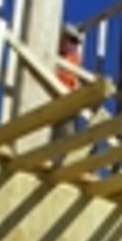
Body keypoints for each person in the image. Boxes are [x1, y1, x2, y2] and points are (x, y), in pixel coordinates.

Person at [51, 23, 83, 154]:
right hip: (52, 104)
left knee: (68, 137)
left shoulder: (74, 60)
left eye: (75, 42)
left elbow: (76, 82)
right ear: (61, 38)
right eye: (71, 40)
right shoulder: (51, 54)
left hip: (67, 107)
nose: (73, 45)